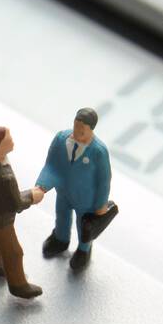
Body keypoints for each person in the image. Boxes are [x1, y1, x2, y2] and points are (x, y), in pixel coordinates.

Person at [37, 107, 116, 272]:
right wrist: (42, 186)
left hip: (86, 200)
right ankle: (60, 238)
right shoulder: (60, 139)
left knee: (84, 225)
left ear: (91, 129)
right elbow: (51, 166)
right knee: (61, 216)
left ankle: (84, 250)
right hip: (63, 192)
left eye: (82, 129)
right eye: (75, 126)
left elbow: (104, 180)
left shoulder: (98, 152)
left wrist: (101, 205)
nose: (77, 131)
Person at [0, 126, 44, 299]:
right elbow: (17, 204)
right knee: (13, 251)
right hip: (0, 218)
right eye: (9, 139)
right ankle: (18, 285)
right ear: (0, 147)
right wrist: (33, 195)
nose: (12, 141)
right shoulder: (5, 177)